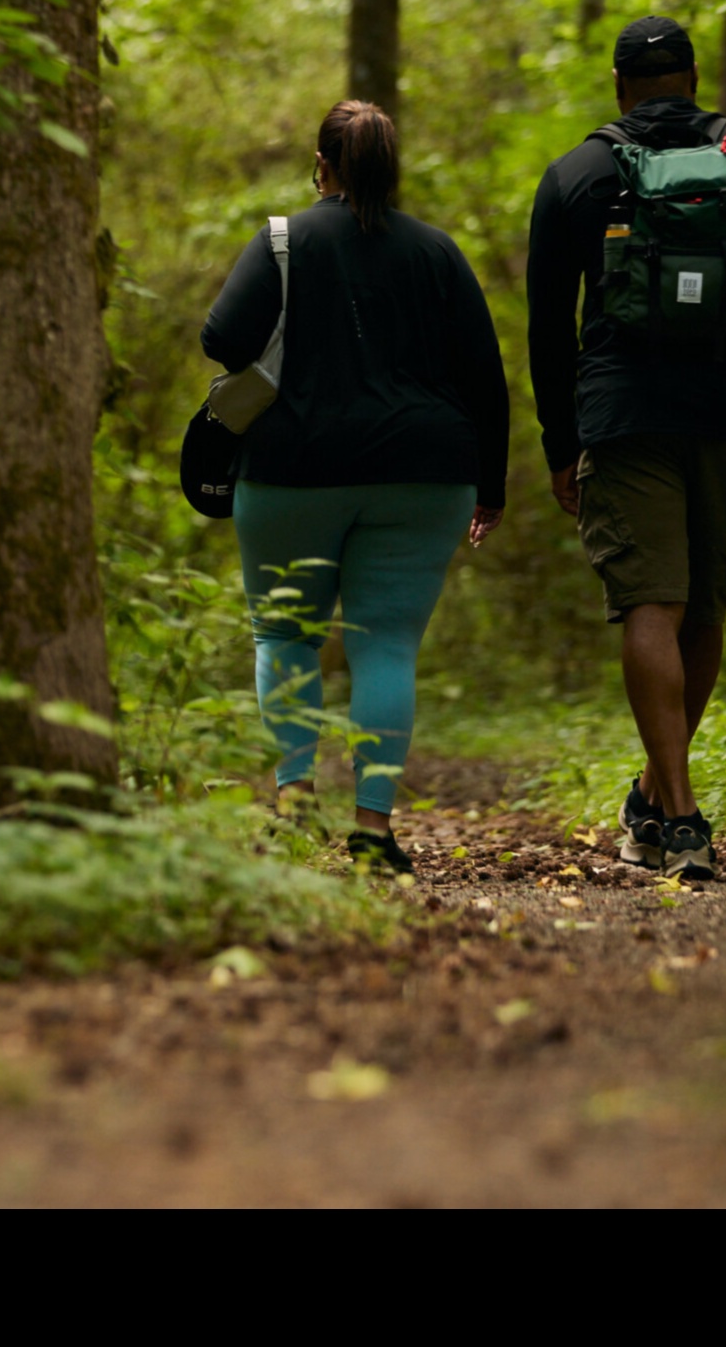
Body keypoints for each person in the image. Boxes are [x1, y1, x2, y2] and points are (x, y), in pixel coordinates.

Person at [527, 16, 726, 880]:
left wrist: (561, 442)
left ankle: (674, 809)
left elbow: (547, 327)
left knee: (648, 604)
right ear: (693, 78)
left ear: (620, 85)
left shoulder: (579, 174)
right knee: (704, 605)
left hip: (624, 416)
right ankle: (672, 804)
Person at [202, 100, 509, 875]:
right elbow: (486, 379)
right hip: (424, 472)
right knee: (388, 646)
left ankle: (295, 804)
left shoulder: (285, 242)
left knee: (284, 635)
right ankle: (373, 830)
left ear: (322, 165)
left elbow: (222, 339)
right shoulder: (437, 253)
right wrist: (491, 486)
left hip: (292, 466)